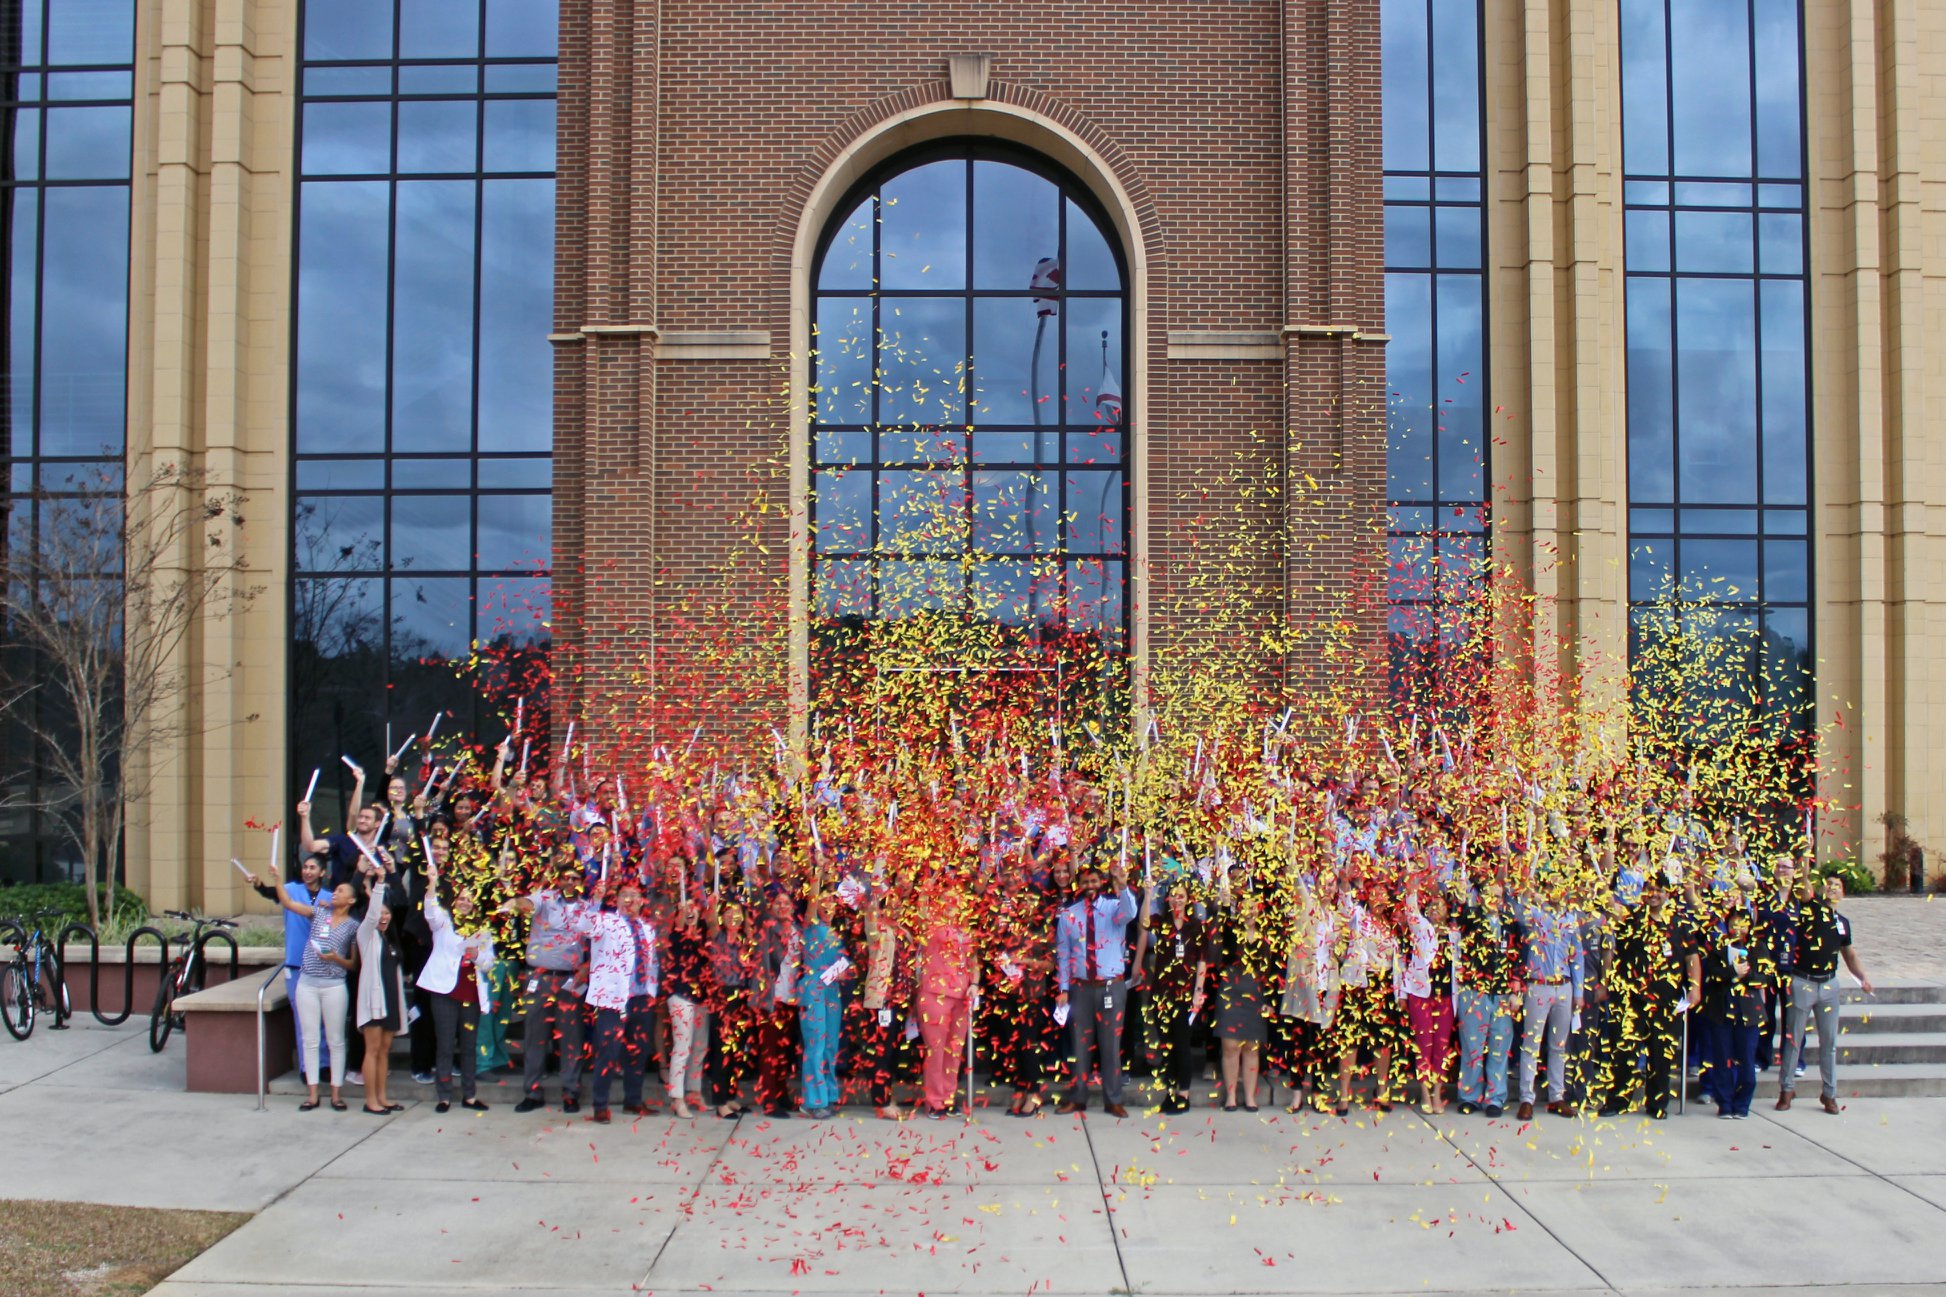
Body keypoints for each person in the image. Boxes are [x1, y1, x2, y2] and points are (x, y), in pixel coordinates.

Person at [248, 869, 357, 1111]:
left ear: (350, 900)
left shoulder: (352, 926)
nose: (335, 893)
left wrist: (335, 958)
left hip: (334, 985)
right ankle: (313, 1094)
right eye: (335, 890)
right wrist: (277, 880)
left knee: (335, 1040)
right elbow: (288, 902)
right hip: (307, 983)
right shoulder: (319, 912)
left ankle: (336, 1094)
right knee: (310, 1039)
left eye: (340, 891)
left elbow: (352, 963)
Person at [1776, 873, 1873, 1114]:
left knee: (1829, 1042)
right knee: (1793, 1039)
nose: (1833, 888)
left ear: (1843, 893)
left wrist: (1862, 977)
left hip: (1829, 984)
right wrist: (1803, 861)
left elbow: (1849, 954)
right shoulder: (1811, 908)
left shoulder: (1843, 923)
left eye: (1837, 886)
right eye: (1829, 884)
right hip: (1803, 981)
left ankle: (1829, 1094)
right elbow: (1803, 885)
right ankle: (1786, 1089)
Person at [1054, 860, 1138, 1118]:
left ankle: (1113, 1100)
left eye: (1093, 881)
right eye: (1085, 882)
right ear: (1079, 885)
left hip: (1110, 987)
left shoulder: (1114, 908)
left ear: (1101, 883)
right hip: (1081, 989)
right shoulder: (1069, 915)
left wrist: (1123, 886)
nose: (1089, 886)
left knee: (1111, 1046)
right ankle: (1077, 1098)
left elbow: (1131, 913)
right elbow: (1064, 954)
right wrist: (1063, 988)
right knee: (1080, 1046)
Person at [418, 843, 495, 1114]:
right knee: (445, 1044)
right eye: (461, 898)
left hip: (470, 993)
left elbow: (489, 963)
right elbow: (430, 911)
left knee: (469, 1046)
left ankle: (470, 1095)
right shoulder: (445, 922)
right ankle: (444, 1096)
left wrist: (477, 955)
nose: (465, 902)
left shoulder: (482, 930)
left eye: (469, 900)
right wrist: (432, 883)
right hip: (445, 992)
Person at [572, 878, 654, 1124]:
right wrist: (595, 901)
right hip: (612, 998)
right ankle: (600, 1104)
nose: (630, 899)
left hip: (641, 996)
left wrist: (652, 992)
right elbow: (584, 926)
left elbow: (651, 962)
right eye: (624, 894)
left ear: (642, 901)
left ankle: (633, 1100)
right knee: (608, 1051)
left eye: (635, 895)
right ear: (616, 900)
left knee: (638, 1052)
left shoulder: (647, 928)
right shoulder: (606, 921)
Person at [512, 859, 589, 1114]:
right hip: (540, 978)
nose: (570, 882)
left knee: (571, 1038)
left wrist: (587, 966)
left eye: (575, 879)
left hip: (570, 981)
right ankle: (532, 1092)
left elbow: (596, 942)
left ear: (581, 883)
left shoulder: (587, 908)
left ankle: (571, 1092)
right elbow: (526, 905)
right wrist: (518, 902)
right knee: (535, 1037)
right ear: (559, 880)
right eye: (566, 877)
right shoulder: (544, 898)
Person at [251, 851, 334, 1078]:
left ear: (322, 872)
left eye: (312, 868)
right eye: (305, 867)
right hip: (296, 965)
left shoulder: (330, 897)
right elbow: (271, 893)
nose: (307, 871)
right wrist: (259, 884)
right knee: (302, 1018)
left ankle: (324, 1064)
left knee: (323, 1018)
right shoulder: (291, 890)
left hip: (322, 966)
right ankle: (307, 1068)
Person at [1510, 875, 1585, 1120]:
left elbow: (1577, 957)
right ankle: (1526, 1098)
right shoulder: (1536, 915)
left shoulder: (1571, 919)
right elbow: (1519, 912)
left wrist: (1578, 992)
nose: (1555, 891)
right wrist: (1527, 893)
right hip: (1538, 986)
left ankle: (1557, 1096)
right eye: (1551, 886)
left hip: (1563, 986)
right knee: (1531, 1044)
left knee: (1558, 1045)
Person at [1196, 891, 1271, 1112]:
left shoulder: (1266, 935)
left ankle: (1249, 1096)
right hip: (1230, 990)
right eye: (1244, 907)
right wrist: (1226, 905)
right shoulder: (1231, 931)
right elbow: (1223, 932)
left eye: (1253, 907)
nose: (1249, 912)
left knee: (1251, 1047)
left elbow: (1270, 970)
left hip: (1255, 993)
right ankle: (1230, 1096)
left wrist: (1268, 999)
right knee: (1230, 1046)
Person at [1138, 879, 1206, 1114]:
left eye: (1182, 895)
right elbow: (1144, 922)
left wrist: (1198, 992)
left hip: (1185, 995)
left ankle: (1183, 1094)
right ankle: (1170, 1091)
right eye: (1173, 895)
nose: (1177, 899)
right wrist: (1148, 895)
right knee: (1166, 1045)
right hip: (1162, 993)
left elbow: (1201, 960)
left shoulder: (1195, 926)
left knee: (1182, 1044)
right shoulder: (1162, 922)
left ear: (1188, 899)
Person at [1454, 875, 1519, 1117]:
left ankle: (1495, 1098)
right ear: (1481, 898)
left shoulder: (1510, 923)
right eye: (1489, 895)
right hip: (1475, 992)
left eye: (1498, 896)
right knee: (1472, 1047)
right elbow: (1458, 916)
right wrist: (1460, 897)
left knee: (1499, 1048)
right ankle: (1469, 1096)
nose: (1494, 900)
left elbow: (1518, 956)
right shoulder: (1472, 918)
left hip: (1501, 994)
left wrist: (1515, 989)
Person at [1699, 905, 1764, 1119]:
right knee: (1722, 1058)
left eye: (1742, 924)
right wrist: (1731, 972)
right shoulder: (1718, 947)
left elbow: (1766, 977)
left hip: (1748, 1012)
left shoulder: (1758, 948)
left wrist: (1747, 975)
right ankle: (1725, 1104)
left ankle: (1742, 1104)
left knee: (1746, 1059)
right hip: (1722, 1010)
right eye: (1733, 924)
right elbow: (1711, 974)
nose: (1738, 928)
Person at [915, 893, 977, 1118]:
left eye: (956, 901)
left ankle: (949, 1097)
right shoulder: (931, 926)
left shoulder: (965, 930)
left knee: (955, 1050)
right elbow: (921, 908)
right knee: (936, 1049)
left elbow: (973, 962)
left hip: (961, 997)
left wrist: (974, 984)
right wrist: (929, 884)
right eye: (947, 900)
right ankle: (934, 1100)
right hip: (935, 994)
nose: (952, 905)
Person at [353, 869, 408, 1115]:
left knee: (385, 1050)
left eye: (387, 913)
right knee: (372, 1050)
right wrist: (379, 883)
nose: (383, 917)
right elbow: (372, 913)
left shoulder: (390, 941)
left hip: (391, 1001)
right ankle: (370, 1100)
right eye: (379, 913)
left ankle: (382, 1097)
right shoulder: (366, 935)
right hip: (373, 1002)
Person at [1401, 884, 1456, 1116]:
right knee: (1424, 1045)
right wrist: (1411, 888)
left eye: (1440, 906)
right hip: (1421, 996)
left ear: (1447, 911)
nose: (1435, 909)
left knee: (1441, 1046)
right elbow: (1411, 911)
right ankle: (1424, 1092)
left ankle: (1437, 1094)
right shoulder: (1422, 929)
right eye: (1431, 905)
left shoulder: (1455, 935)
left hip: (1445, 998)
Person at [860, 886, 914, 1119]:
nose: (896, 907)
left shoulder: (905, 932)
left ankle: (887, 1095)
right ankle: (881, 1100)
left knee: (891, 1051)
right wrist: (875, 884)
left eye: (899, 904)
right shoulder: (877, 928)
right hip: (881, 999)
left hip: (900, 1003)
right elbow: (870, 912)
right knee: (881, 1052)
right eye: (892, 903)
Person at [798, 889, 852, 1119]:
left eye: (832, 900)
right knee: (816, 1045)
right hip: (813, 990)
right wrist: (817, 874)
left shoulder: (836, 933)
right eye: (824, 900)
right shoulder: (810, 926)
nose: (828, 903)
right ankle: (813, 1101)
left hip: (832, 991)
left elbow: (843, 964)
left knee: (831, 1045)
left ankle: (829, 1095)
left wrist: (843, 972)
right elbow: (812, 899)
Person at [751, 884, 803, 1118]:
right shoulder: (767, 927)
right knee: (769, 1052)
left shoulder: (798, 932)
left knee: (784, 1051)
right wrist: (756, 885)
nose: (782, 906)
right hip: (770, 999)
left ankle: (781, 1095)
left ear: (792, 907)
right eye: (777, 903)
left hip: (791, 1000)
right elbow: (758, 908)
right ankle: (769, 1100)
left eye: (786, 903)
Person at [662, 896, 712, 1118]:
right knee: (682, 1046)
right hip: (680, 995)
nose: (690, 911)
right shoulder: (675, 934)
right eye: (685, 908)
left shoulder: (705, 935)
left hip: (702, 996)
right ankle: (677, 1098)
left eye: (694, 908)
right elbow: (675, 940)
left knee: (699, 1046)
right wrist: (681, 921)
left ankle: (694, 1092)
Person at [705, 898, 756, 1118]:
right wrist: (712, 903)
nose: (732, 916)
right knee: (722, 1048)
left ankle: (731, 1095)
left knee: (738, 1048)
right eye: (728, 912)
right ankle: (720, 1101)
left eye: (737, 913)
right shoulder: (717, 936)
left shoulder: (745, 941)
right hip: (722, 995)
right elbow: (710, 920)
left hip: (742, 995)